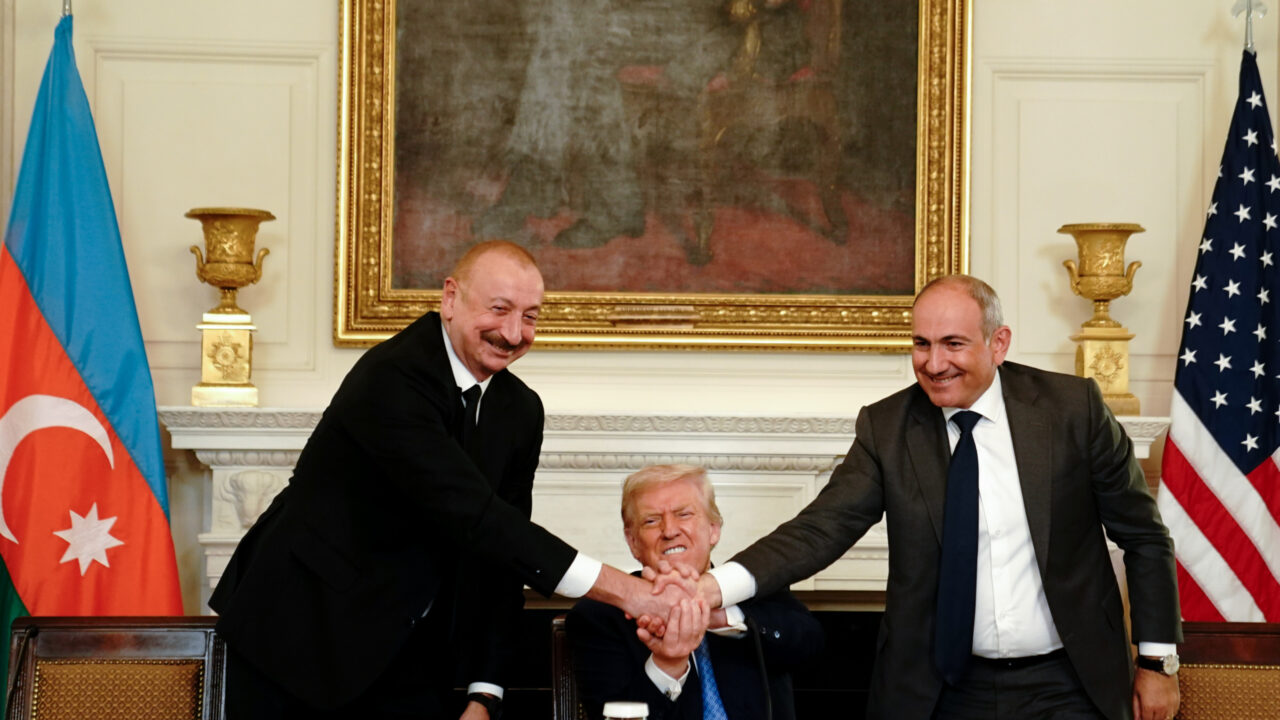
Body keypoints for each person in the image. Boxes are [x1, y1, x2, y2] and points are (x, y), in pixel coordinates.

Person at [210, 240, 689, 720]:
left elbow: (503, 554)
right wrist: (629, 591)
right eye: (499, 309)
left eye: (530, 317)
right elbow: (478, 517)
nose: (512, 332)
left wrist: (486, 691)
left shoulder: (520, 410)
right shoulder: (391, 378)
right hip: (296, 635)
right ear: (450, 299)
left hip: (410, 652)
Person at [682, 275, 1182, 720]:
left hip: (1068, 683)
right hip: (939, 690)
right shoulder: (887, 427)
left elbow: (1144, 538)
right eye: (921, 344)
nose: (934, 363)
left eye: (953, 344)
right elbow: (821, 528)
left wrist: (1157, 661)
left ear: (998, 343)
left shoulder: (1073, 410)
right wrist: (713, 587)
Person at [568, 465, 822, 720]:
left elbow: (811, 649)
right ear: (633, 542)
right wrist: (667, 665)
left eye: (683, 514)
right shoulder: (599, 616)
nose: (669, 531)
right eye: (651, 520)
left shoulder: (754, 587)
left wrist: (723, 617)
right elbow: (611, 715)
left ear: (713, 529)